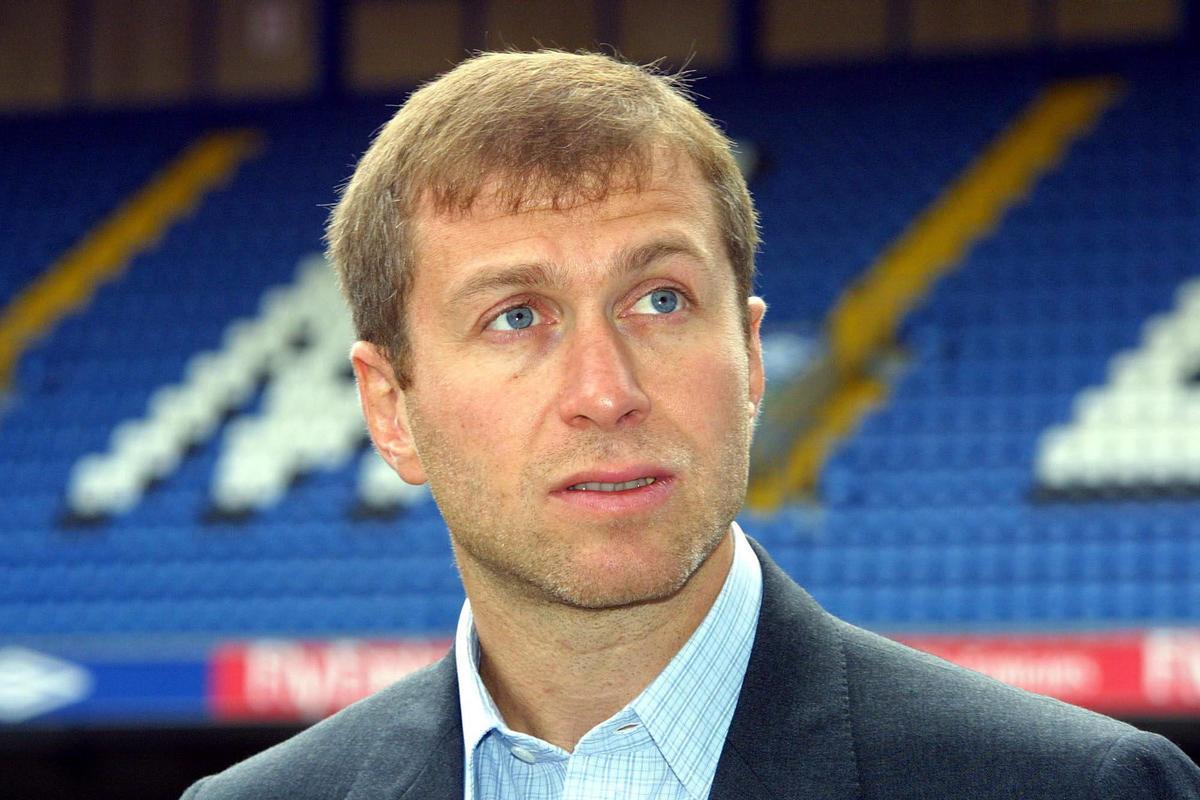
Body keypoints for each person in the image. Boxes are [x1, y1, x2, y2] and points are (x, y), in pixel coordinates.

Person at [182, 50, 1200, 799]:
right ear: (388, 408)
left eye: (660, 299)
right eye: (517, 316)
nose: (604, 386)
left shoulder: (1078, 786)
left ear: (751, 356)